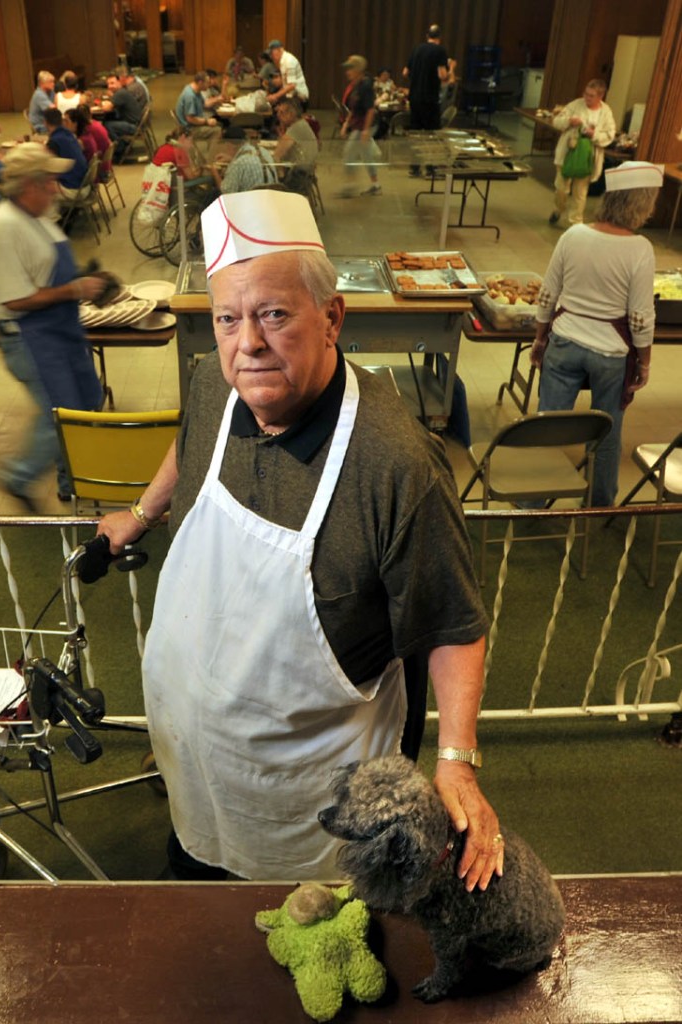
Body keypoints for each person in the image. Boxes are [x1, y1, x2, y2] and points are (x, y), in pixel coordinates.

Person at [97, 189, 502, 890]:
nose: (246, 343)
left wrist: (455, 759)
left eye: (274, 315)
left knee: (316, 918)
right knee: (197, 891)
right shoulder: (211, 387)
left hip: (316, 778)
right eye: (228, 318)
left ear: (331, 318)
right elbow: (188, 446)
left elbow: (452, 624)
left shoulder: (395, 462)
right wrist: (140, 511)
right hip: (202, 759)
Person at [530, 161, 662, 507]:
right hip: (611, 354)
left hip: (564, 341)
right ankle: (598, 503)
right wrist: (644, 364)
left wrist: (540, 338)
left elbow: (548, 293)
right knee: (606, 434)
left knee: (547, 425)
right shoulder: (640, 249)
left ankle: (530, 500)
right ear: (641, 202)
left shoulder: (573, 235)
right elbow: (640, 317)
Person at [0, 143, 105, 511]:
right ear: (28, 185)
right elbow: (14, 300)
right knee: (59, 417)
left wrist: (88, 281)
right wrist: (75, 288)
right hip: (30, 338)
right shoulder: (2, 225)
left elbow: (47, 267)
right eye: (49, 180)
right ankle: (17, 477)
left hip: (60, 329)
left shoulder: (38, 215)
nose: (55, 187)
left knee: (87, 402)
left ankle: (71, 481)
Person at [549, 79, 616, 227]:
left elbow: (610, 134)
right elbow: (556, 121)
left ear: (600, 96)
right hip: (567, 153)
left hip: (587, 157)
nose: (587, 98)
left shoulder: (606, 112)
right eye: (586, 94)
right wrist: (568, 121)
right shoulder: (575, 105)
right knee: (561, 188)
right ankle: (558, 209)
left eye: (591, 96)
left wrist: (594, 135)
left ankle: (575, 222)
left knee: (580, 193)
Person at [403, 24, 454, 176]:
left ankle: (414, 168)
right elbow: (442, 76)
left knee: (416, 133)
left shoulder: (417, 49)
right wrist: (451, 67)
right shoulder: (440, 51)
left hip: (415, 97)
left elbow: (405, 72)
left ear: (427, 35)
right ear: (440, 37)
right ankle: (431, 168)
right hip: (430, 98)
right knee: (432, 134)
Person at [338, 55, 381, 198]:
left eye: (350, 68)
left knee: (349, 153)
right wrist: (345, 124)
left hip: (365, 126)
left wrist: (366, 130)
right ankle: (375, 185)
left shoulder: (366, 86)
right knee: (366, 155)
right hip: (359, 125)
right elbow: (353, 109)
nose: (347, 72)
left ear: (358, 69)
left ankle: (350, 186)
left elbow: (370, 110)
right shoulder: (355, 85)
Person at [210, 126, 277, 194]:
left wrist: (214, 172)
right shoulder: (264, 152)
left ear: (230, 145)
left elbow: (226, 192)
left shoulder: (238, 164)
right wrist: (232, 159)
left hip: (250, 203)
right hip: (271, 200)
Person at [273, 96, 319, 195]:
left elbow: (277, 155)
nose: (278, 116)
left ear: (291, 114)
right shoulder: (301, 124)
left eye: (282, 113)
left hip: (297, 178)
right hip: (306, 174)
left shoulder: (296, 129)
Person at [174, 72, 221, 157]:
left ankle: (212, 154)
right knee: (217, 131)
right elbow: (190, 119)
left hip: (191, 125)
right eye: (207, 82)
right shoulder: (190, 96)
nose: (209, 85)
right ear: (200, 82)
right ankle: (211, 159)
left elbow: (205, 104)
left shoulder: (194, 89)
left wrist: (218, 99)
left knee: (217, 123)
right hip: (189, 129)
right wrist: (207, 122)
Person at [44, 108, 88, 198]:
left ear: (45, 122)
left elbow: (47, 166)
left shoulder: (54, 141)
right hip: (85, 185)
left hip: (74, 190)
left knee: (36, 187)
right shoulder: (69, 135)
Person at [101, 72, 144, 156]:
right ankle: (121, 145)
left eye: (112, 83)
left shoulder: (120, 94)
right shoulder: (121, 92)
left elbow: (107, 108)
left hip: (134, 126)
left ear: (119, 82)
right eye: (108, 84)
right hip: (135, 123)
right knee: (109, 120)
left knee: (107, 125)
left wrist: (104, 104)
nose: (110, 86)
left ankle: (120, 148)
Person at [267, 39, 309, 106]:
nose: (271, 56)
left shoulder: (289, 61)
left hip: (299, 97)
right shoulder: (282, 61)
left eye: (272, 53)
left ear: (279, 50)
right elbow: (286, 84)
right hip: (291, 95)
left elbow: (291, 85)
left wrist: (275, 96)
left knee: (277, 106)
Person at [77, 102, 112, 181]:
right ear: (90, 113)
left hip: (97, 170)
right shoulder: (97, 124)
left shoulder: (87, 130)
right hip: (105, 166)